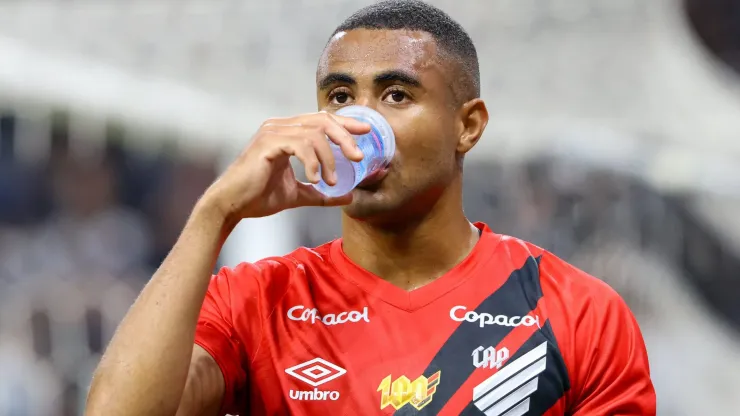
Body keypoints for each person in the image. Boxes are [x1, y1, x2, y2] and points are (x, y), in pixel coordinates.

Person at [85, 1, 656, 415]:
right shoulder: (255, 301)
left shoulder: (579, 314)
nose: (357, 123)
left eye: (396, 94)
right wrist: (214, 215)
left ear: (468, 125)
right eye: (339, 97)